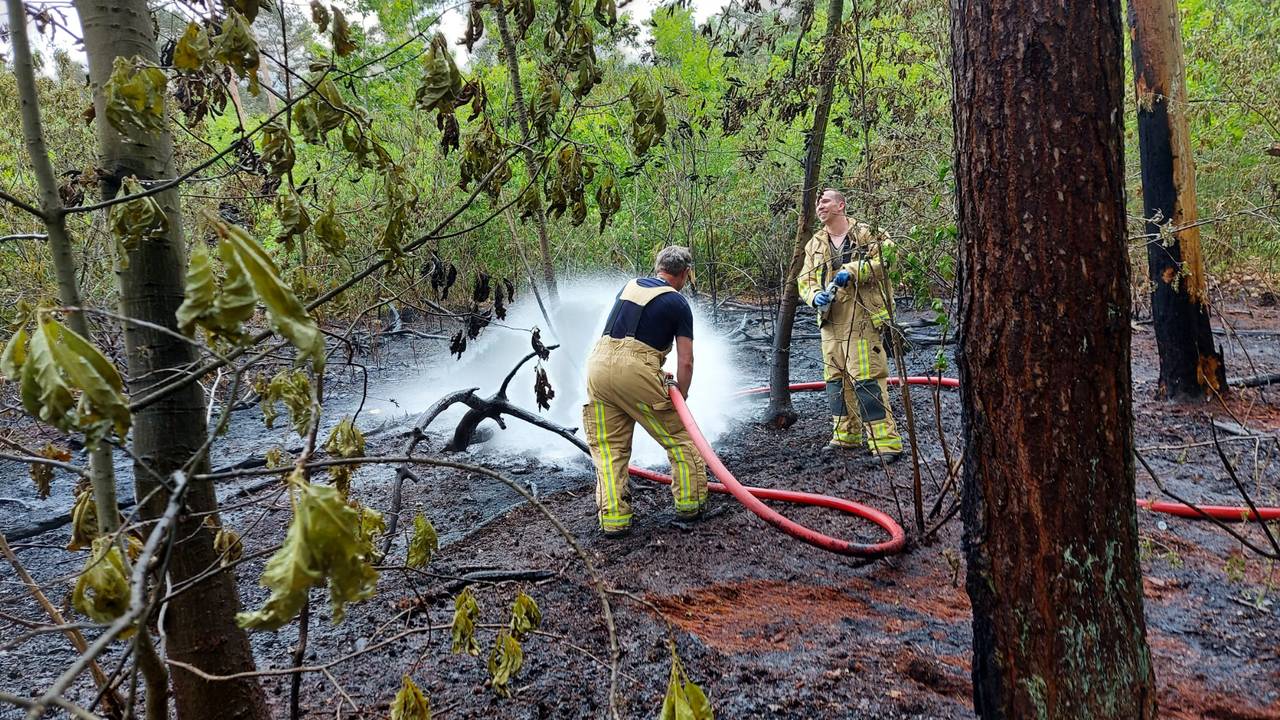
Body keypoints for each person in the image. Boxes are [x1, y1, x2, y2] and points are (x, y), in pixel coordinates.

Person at [582, 246, 709, 537]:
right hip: (635, 372)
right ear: (686, 274)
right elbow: (686, 361)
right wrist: (682, 399)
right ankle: (691, 505)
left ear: (658, 268)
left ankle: (614, 520)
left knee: (608, 449)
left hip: (597, 369)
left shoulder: (629, 286)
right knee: (680, 438)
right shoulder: (678, 303)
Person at [797, 188, 903, 461]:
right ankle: (846, 436)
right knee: (835, 381)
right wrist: (813, 297)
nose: (820, 205)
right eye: (818, 202)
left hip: (862, 318)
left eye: (826, 201)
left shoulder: (868, 234)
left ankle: (885, 444)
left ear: (841, 205)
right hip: (831, 322)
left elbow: (889, 260)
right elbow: (804, 282)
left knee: (866, 380)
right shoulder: (815, 244)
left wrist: (854, 270)